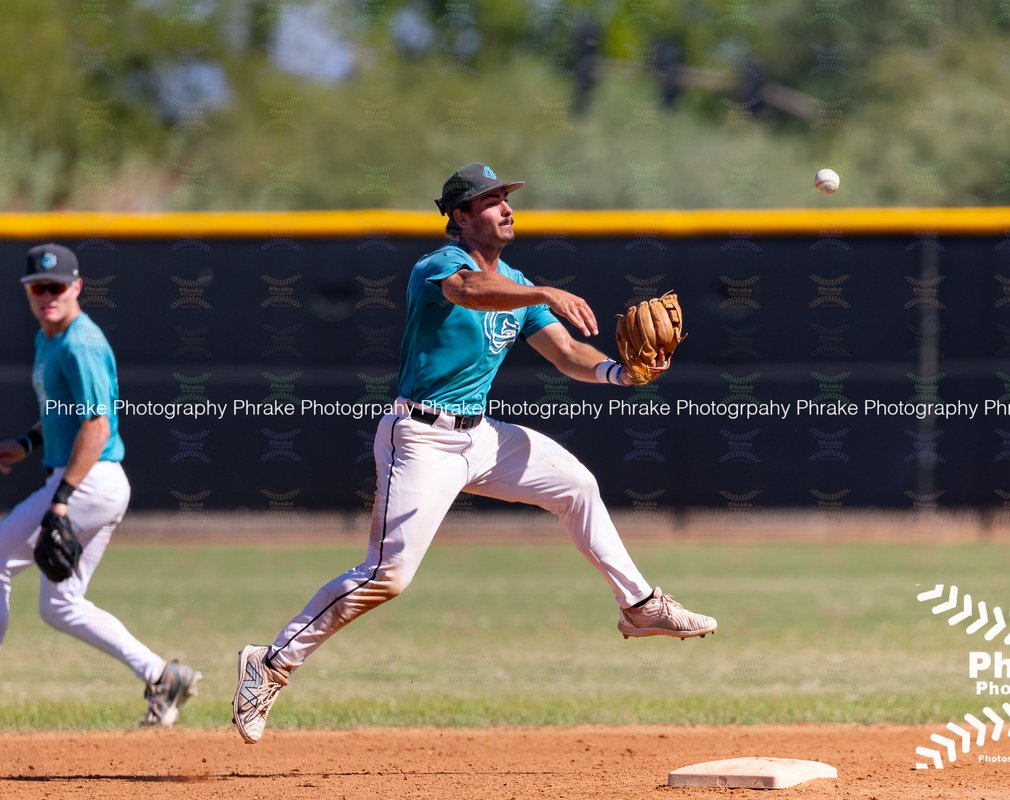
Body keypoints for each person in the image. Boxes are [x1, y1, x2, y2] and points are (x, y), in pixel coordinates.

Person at [232, 163, 717, 744]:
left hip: (479, 436)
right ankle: (270, 663)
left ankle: (639, 605)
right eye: (491, 201)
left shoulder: (515, 282)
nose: (506, 209)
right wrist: (544, 291)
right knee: (388, 576)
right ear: (460, 217)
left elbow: (566, 353)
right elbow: (468, 292)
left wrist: (622, 373)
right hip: (421, 437)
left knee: (576, 485)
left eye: (506, 198)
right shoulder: (440, 266)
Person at [0, 244, 201, 727]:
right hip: (91, 482)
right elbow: (63, 412)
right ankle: (163, 676)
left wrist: (60, 502)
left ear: (76, 287)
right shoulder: (49, 338)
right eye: (38, 287)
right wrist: (26, 443)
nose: (47, 295)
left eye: (56, 286)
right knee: (60, 606)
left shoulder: (80, 343)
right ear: (28, 292)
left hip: (88, 482)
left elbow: (97, 425)